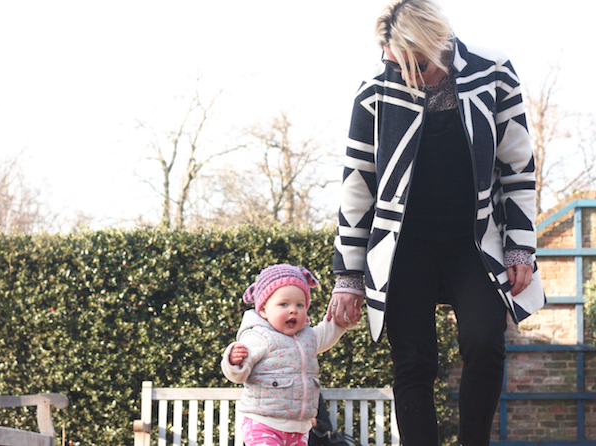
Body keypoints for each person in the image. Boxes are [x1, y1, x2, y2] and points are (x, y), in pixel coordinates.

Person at [327, 0, 546, 444]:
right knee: (413, 362)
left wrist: (520, 245)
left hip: (474, 238)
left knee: (486, 343)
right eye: (395, 65)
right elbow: (357, 185)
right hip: (403, 245)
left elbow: (517, 165)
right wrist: (348, 276)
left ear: (436, 45)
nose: (405, 75)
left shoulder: (493, 71)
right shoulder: (373, 90)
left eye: (416, 65)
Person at [222, 264, 349, 446]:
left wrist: (342, 318)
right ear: (263, 310)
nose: (293, 310)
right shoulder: (259, 337)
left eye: (300, 305)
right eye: (284, 304)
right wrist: (233, 361)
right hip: (263, 423)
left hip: (299, 429)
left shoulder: (308, 337)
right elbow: (238, 375)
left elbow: (328, 332)